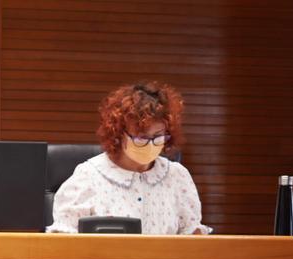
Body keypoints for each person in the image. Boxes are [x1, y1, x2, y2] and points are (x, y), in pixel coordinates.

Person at [48, 82, 209, 235]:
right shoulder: (88, 177)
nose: (150, 144)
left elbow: (192, 237)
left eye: (158, 137)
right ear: (119, 134)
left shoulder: (177, 176)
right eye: (141, 138)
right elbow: (63, 240)